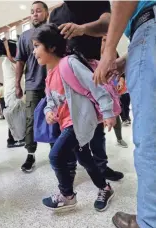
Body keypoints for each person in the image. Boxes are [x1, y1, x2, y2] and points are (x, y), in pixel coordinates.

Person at [32, 24, 115, 212]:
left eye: (37, 45)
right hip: (68, 124)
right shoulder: (49, 76)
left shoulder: (69, 64)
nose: (34, 51)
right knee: (85, 160)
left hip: (80, 122)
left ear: (51, 47)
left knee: (56, 155)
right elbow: (50, 102)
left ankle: (67, 195)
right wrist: (48, 113)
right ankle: (105, 188)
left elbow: (96, 86)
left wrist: (108, 112)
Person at [93, 2, 156, 228]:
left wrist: (110, 49)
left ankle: (150, 221)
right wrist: (129, 58)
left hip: (149, 26)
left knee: (151, 140)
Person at [49, 0, 124, 181]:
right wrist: (51, 83)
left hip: (93, 72)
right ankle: (70, 169)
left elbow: (109, 23)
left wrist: (82, 28)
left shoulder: (95, 2)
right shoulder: (56, 14)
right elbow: (51, 48)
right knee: (70, 124)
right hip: (67, 78)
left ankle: (101, 167)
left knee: (97, 128)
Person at [16, 1, 48, 172]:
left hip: (53, 84)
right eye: (32, 12)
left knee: (55, 119)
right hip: (32, 85)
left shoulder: (53, 32)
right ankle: (30, 154)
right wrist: (17, 84)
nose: (35, 14)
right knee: (30, 120)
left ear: (46, 13)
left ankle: (55, 151)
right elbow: (20, 61)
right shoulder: (25, 36)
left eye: (38, 11)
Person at [101, 36, 128, 148]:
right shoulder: (91, 52)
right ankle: (98, 145)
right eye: (103, 39)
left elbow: (120, 70)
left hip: (111, 90)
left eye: (108, 39)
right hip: (95, 90)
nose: (106, 42)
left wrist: (121, 80)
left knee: (115, 114)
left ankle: (119, 138)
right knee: (97, 122)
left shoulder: (113, 52)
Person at [1, 38, 25, 148]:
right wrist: (6, 45)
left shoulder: (6, 61)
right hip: (12, 91)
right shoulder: (10, 61)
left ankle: (15, 138)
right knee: (15, 116)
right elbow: (17, 63)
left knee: (14, 116)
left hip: (11, 91)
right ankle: (14, 139)